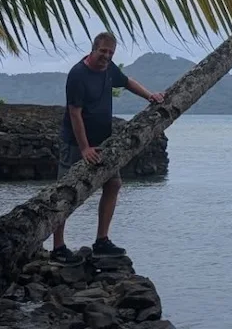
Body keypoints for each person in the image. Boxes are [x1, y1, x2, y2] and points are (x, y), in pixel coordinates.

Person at [51, 31, 165, 259]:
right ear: (93, 49)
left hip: (104, 142)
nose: (106, 56)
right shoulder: (78, 74)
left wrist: (150, 96)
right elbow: (75, 113)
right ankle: (58, 247)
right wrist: (84, 148)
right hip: (75, 143)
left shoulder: (110, 68)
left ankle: (102, 240)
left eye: (110, 52)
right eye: (103, 51)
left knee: (113, 184)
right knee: (64, 193)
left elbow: (127, 82)